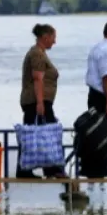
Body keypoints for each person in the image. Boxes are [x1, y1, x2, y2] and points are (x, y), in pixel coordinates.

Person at [18, 23, 65, 179]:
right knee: (46, 133)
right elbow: (38, 79)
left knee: (36, 133)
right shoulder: (37, 54)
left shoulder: (40, 53)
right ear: (45, 37)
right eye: (53, 38)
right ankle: (50, 169)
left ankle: (40, 169)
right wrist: (40, 103)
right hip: (37, 101)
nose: (54, 41)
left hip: (40, 100)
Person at [83, 20, 107, 177]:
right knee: (104, 132)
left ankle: (95, 166)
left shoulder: (96, 48)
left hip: (94, 94)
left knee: (95, 131)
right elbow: (106, 77)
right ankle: (100, 167)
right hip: (103, 96)